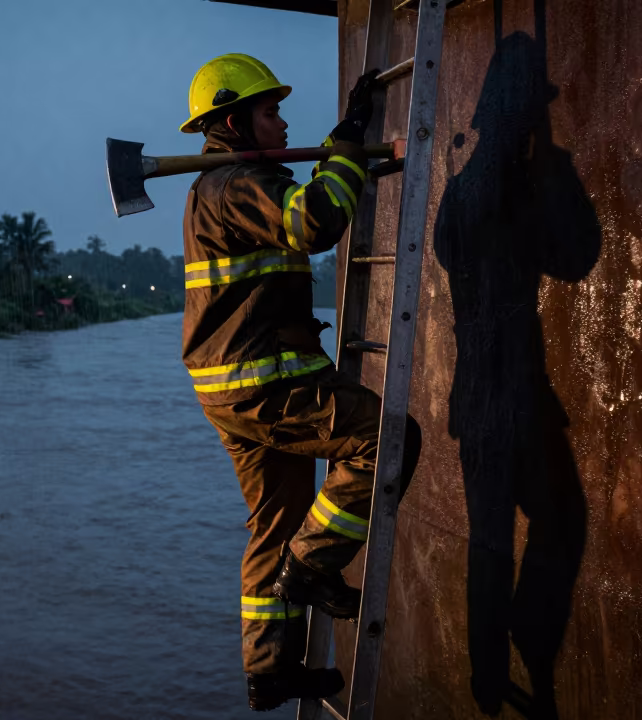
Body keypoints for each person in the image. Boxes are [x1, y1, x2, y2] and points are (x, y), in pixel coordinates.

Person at [178, 53, 423, 712]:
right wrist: (346, 141)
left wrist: (345, 162)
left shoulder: (224, 186)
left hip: (231, 392)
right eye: (269, 111)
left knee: (273, 523)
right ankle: (311, 566)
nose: (283, 122)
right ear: (233, 120)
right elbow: (314, 221)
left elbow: (305, 207)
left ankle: (269, 671)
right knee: (386, 441)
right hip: (264, 386)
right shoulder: (235, 183)